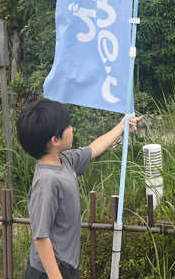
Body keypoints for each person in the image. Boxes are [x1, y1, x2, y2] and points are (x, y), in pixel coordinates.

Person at [16, 98, 141, 279]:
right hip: (48, 272)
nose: (71, 128)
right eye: (67, 126)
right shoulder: (46, 182)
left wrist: (121, 127)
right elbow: (41, 237)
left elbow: (93, 149)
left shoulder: (64, 160)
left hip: (65, 266)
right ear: (55, 140)